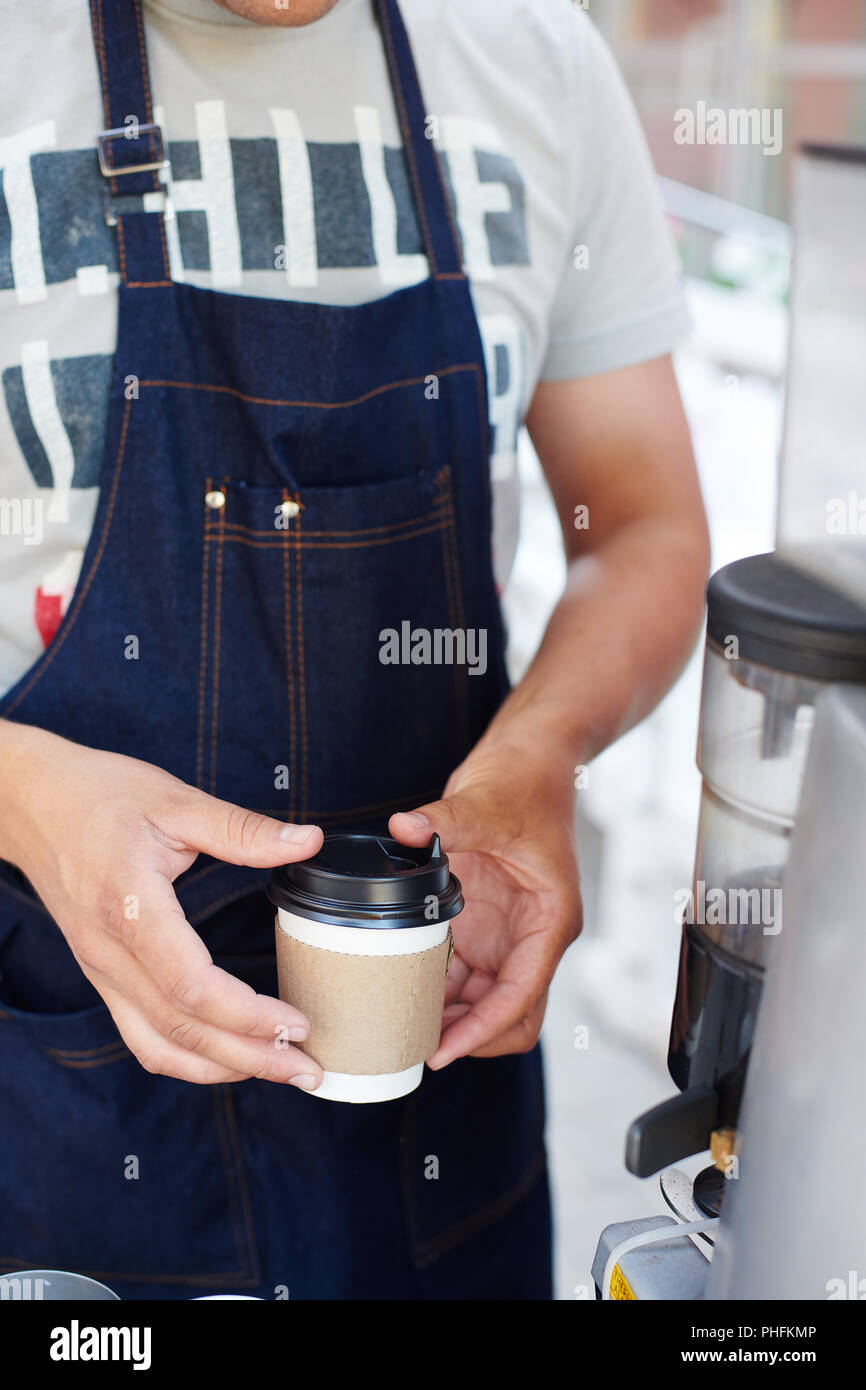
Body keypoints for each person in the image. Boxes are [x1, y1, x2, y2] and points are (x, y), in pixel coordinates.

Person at [0, 0, 709, 1299]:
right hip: (53, 1097)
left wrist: (537, 758)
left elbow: (645, 525)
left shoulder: (532, 64)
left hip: (427, 1116)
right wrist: (26, 795)